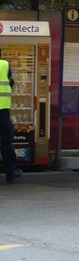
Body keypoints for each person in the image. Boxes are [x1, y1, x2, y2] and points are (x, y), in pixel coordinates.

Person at [0, 50, 19, 183]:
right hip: (2, 111)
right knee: (6, 142)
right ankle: (11, 173)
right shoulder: (5, 65)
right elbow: (11, 82)